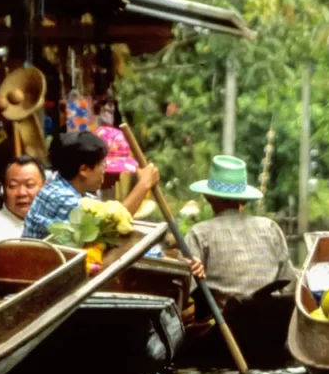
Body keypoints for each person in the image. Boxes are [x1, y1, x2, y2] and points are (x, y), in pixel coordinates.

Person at [184, 155, 294, 298]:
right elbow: (290, 283)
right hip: (271, 316)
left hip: (222, 319)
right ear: (243, 199)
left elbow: (186, 288)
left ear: (207, 197)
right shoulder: (270, 228)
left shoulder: (199, 233)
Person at [25, 132, 111, 239]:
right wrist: (139, 187)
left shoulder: (60, 181)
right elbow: (110, 226)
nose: (104, 170)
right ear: (84, 170)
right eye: (102, 164)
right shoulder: (63, 198)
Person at [96, 126, 160, 216]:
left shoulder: (100, 192)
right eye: (113, 173)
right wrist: (144, 184)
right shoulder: (80, 194)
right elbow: (114, 221)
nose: (117, 179)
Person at [0, 156, 45, 243]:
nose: (22, 193)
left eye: (30, 185)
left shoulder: (57, 219)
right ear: (4, 190)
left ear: (45, 187)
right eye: (13, 186)